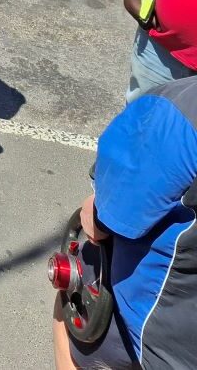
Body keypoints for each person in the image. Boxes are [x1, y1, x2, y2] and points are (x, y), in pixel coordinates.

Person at [52, 76, 197, 370]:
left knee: (74, 284)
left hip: (162, 333)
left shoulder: (182, 111)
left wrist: (97, 214)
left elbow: (110, 211)